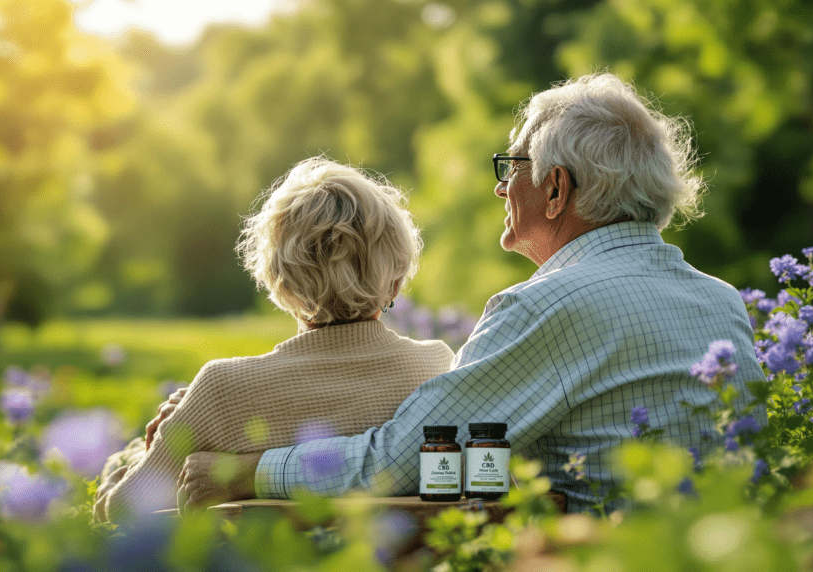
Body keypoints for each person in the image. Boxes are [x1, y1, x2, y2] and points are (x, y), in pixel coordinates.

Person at [164, 73, 765, 513]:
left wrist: (246, 472)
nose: (503, 189)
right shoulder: (721, 301)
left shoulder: (547, 304)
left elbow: (403, 462)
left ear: (555, 189)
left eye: (513, 167)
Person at [92, 158, 455, 523]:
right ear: (395, 278)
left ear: (278, 280)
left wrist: (139, 456)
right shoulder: (437, 367)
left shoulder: (221, 390)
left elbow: (121, 512)